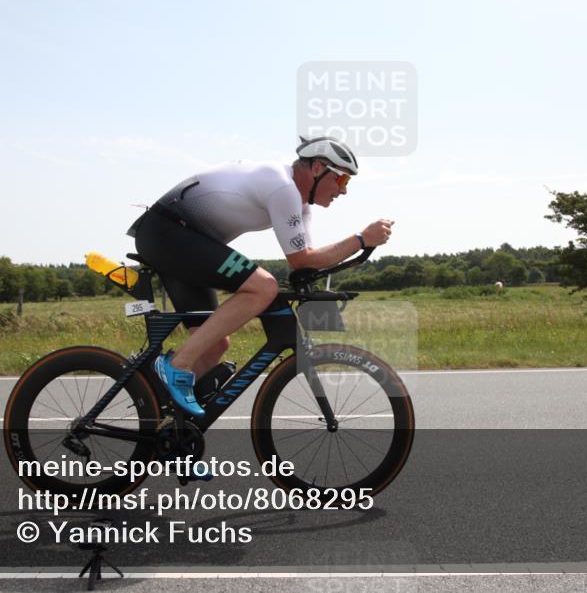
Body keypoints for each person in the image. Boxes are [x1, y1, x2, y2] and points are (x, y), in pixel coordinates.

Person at [128, 136, 393, 418]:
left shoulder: (300, 204)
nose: (343, 192)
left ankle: (169, 439)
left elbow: (307, 263)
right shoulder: (282, 186)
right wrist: (361, 239)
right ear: (317, 168)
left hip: (180, 239)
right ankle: (176, 367)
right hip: (167, 233)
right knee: (262, 287)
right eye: (342, 181)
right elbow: (302, 259)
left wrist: (360, 244)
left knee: (214, 344)